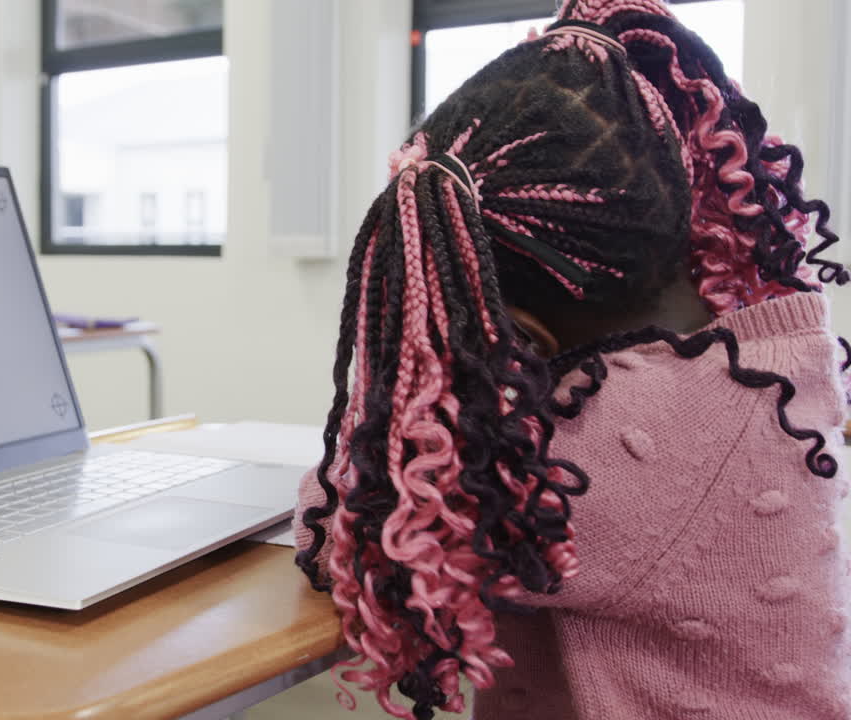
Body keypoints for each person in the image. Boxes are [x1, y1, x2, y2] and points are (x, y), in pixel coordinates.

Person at [291, 1, 851, 718]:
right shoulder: (754, 361)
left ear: (525, 339)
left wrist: (420, 389)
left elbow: (357, 511)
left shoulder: (623, 444)